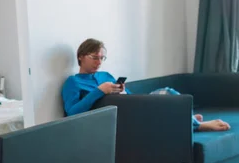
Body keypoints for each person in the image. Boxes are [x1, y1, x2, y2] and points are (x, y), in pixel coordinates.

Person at [61, 38, 230, 132]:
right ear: (81, 56)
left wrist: (122, 91)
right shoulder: (73, 82)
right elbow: (71, 113)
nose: (99, 62)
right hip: (122, 117)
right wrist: (99, 91)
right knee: (168, 104)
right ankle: (197, 124)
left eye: (101, 58)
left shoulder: (106, 75)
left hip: (133, 106)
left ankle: (187, 117)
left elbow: (130, 95)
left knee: (168, 93)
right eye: (94, 57)